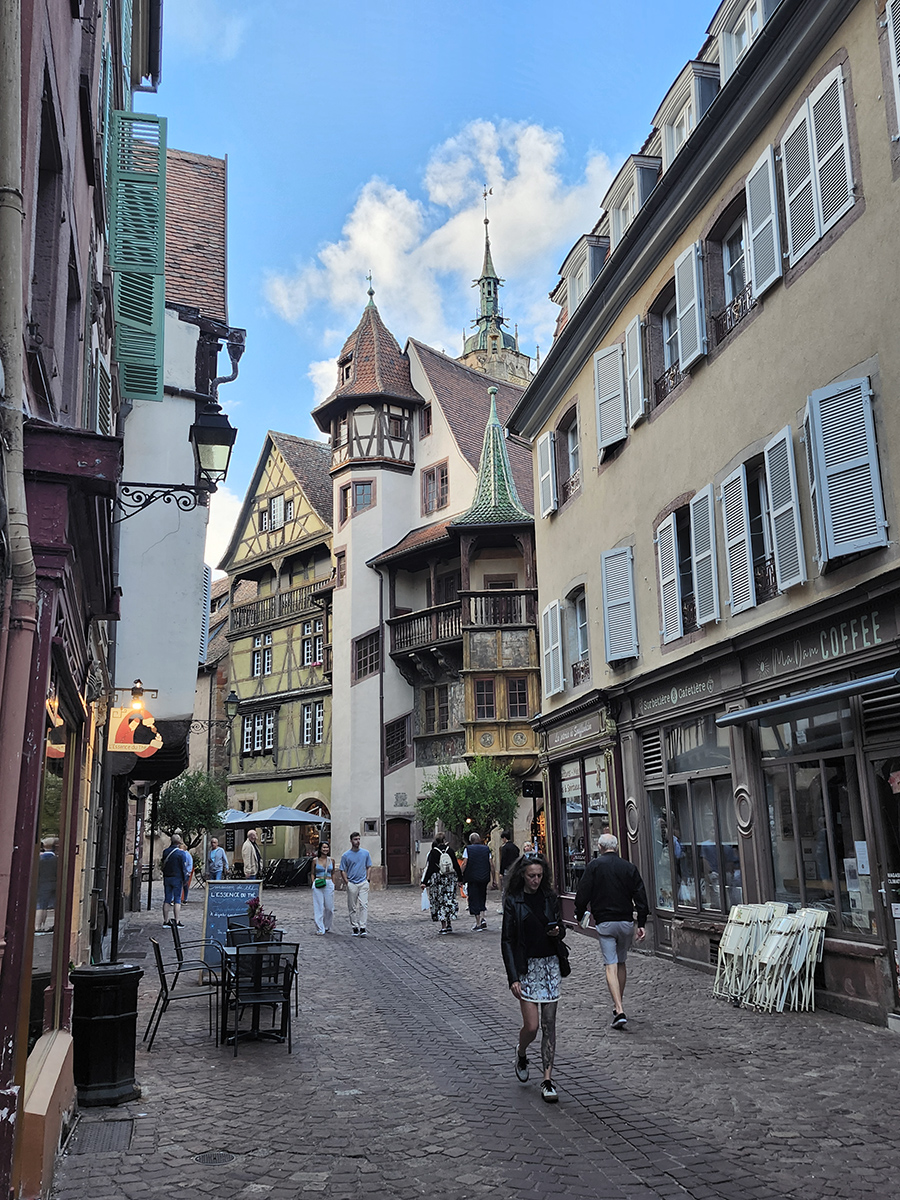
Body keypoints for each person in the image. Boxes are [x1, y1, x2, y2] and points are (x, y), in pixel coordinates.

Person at [501, 853, 566, 1104]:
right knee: (532, 1026)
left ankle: (548, 1080)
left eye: (539, 875)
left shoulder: (550, 897)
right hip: (527, 968)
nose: (536, 880)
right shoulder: (514, 900)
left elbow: (559, 927)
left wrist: (557, 931)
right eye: (531, 876)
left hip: (549, 965)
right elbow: (507, 940)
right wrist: (513, 977)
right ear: (522, 876)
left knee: (549, 1023)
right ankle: (521, 1051)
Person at [574, 832, 649, 1030]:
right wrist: (641, 922)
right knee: (621, 961)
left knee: (610, 964)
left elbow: (583, 892)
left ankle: (619, 1007)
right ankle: (619, 1006)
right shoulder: (628, 867)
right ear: (616, 847)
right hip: (625, 922)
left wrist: (579, 912)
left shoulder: (594, 867)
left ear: (599, 847)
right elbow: (640, 896)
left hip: (605, 922)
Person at [421, 835, 463, 934]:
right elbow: (456, 866)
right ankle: (449, 923)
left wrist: (424, 882)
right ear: (444, 840)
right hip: (449, 879)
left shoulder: (433, 852)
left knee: (439, 902)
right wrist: (460, 879)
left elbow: (430, 868)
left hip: (437, 880)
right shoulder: (450, 850)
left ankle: (443, 926)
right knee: (448, 900)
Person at [340, 832, 372, 937]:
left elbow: (369, 866)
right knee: (352, 906)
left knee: (363, 905)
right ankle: (354, 926)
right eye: (355, 839)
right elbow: (343, 869)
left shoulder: (365, 853)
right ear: (351, 841)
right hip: (352, 882)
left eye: (358, 839)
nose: (357, 841)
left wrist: (368, 878)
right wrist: (347, 882)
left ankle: (362, 926)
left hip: (363, 882)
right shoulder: (346, 855)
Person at [462, 832, 494, 930]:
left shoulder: (468, 849)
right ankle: (483, 917)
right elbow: (491, 864)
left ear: (471, 841)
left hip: (472, 877)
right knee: (482, 896)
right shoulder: (486, 849)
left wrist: (460, 875)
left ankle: (478, 922)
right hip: (484, 877)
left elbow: (464, 863)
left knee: (474, 898)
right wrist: (493, 878)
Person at [161, 835, 192, 927]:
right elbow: (183, 868)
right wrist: (185, 879)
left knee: (167, 899)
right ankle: (177, 921)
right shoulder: (181, 854)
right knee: (177, 899)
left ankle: (165, 921)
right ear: (179, 842)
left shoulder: (165, 852)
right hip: (177, 878)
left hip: (167, 877)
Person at [312, 840, 336, 934]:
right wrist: (313, 882)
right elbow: (312, 873)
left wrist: (333, 883)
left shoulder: (332, 860)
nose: (325, 849)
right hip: (318, 882)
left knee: (329, 907)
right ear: (320, 848)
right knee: (318, 906)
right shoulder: (315, 860)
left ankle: (326, 925)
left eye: (327, 847)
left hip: (328, 882)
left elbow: (333, 872)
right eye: (324, 847)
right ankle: (320, 928)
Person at [35, 837, 59, 932]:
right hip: (55, 884)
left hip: (43, 884)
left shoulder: (40, 859)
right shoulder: (57, 860)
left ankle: (38, 926)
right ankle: (55, 925)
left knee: (41, 905)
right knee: (56, 905)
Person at [497, 830, 519, 911]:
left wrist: (501, 872)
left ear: (504, 838)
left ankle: (505, 908)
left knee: (505, 890)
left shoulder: (505, 848)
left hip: (507, 870)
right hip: (515, 870)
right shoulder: (515, 847)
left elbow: (503, 860)